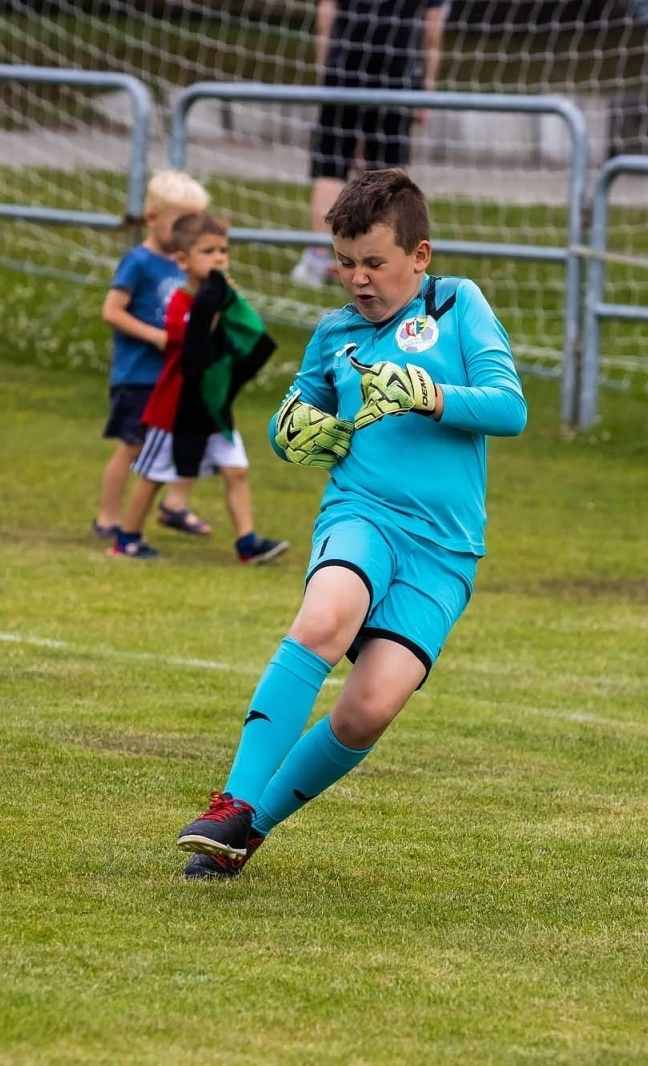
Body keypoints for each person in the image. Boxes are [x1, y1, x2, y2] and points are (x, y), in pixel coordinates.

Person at [176, 168, 526, 879]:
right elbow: (294, 414)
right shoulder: (335, 333)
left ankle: (249, 830)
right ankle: (231, 800)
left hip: (444, 550)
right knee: (325, 618)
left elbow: (508, 406)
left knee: (368, 709)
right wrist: (293, 430)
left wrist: (431, 394)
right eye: (344, 262)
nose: (357, 279)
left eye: (374, 263)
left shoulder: (459, 305)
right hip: (360, 514)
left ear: (419, 257)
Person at [110, 212, 291, 565]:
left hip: (213, 409)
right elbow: (190, 344)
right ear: (183, 259)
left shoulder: (222, 297)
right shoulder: (180, 301)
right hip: (174, 411)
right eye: (208, 251)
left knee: (236, 470)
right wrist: (211, 309)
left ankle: (247, 543)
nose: (219, 259)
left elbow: (242, 332)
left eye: (223, 250)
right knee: (154, 474)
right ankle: (126, 538)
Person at [290, 0, 447, 287]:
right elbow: (433, 29)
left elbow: (326, 16)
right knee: (392, 175)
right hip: (396, 74)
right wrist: (427, 87)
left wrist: (326, 71)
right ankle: (396, 257)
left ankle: (316, 259)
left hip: (344, 71)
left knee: (331, 167)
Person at [96, 170, 213, 541]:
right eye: (180, 223)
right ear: (152, 219)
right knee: (133, 445)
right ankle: (108, 518)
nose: (186, 232)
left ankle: (174, 505)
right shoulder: (139, 262)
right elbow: (112, 311)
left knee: (191, 436)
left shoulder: (184, 264)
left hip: (176, 375)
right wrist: (157, 337)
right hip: (139, 375)